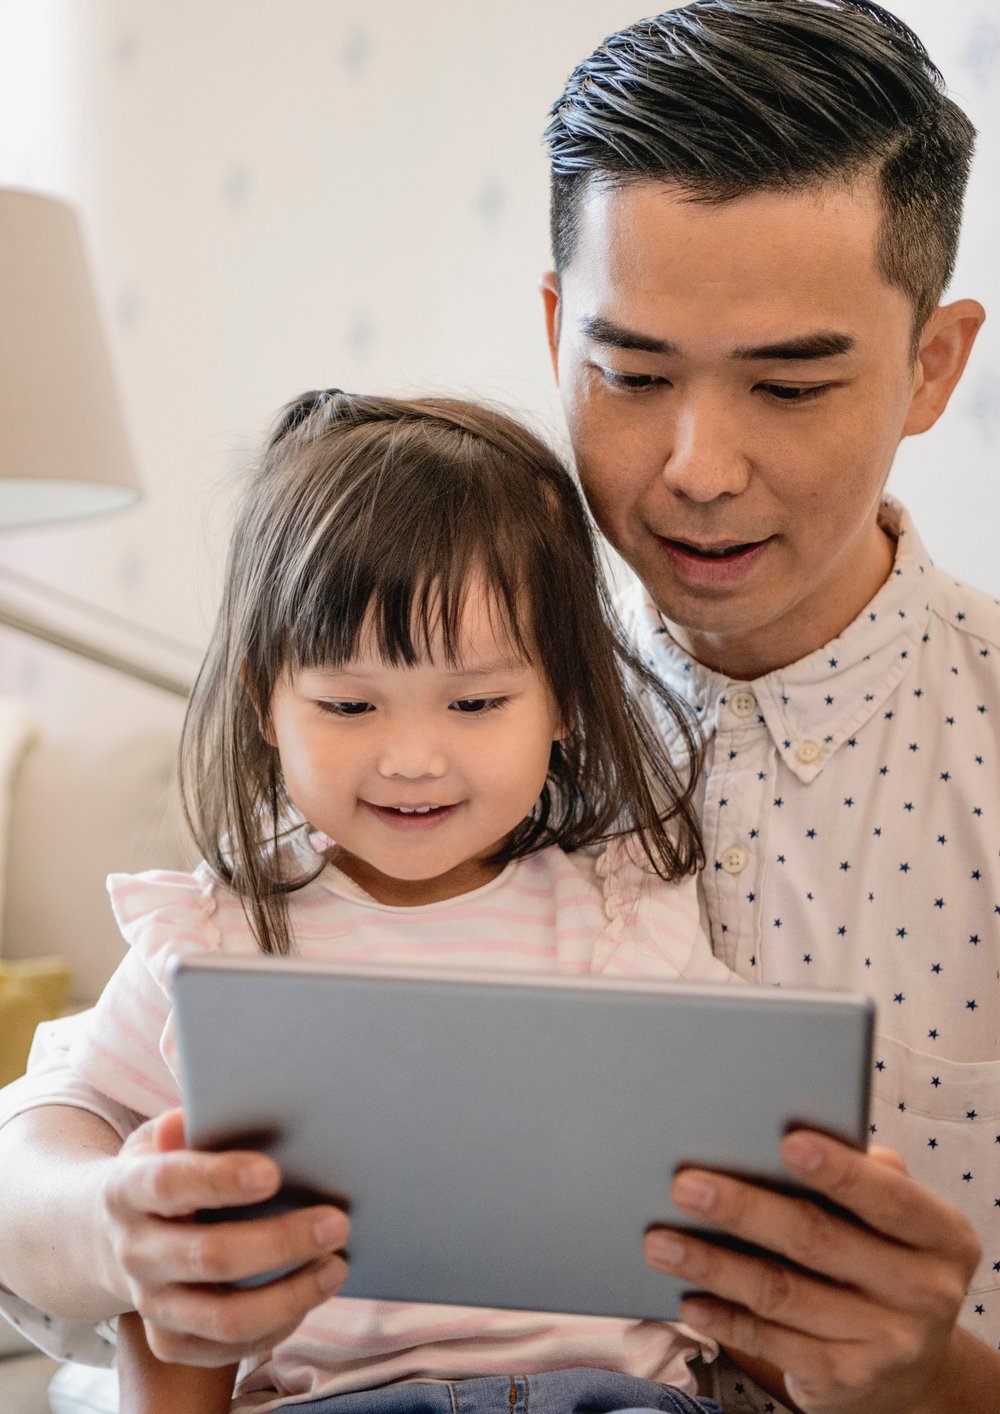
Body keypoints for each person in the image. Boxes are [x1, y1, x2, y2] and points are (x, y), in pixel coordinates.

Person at [0, 4, 1000, 1412]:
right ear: (557, 329)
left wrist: (934, 1382)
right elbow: (43, 1143)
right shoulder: (424, 726)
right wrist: (112, 1223)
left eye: (790, 382)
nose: (698, 467)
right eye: (632, 374)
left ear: (932, 365)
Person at [80, 388, 739, 1414]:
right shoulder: (211, 939)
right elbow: (123, 1226)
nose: (413, 758)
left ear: (564, 694)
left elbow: (734, 1183)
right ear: (265, 697)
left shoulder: (622, 919)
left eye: (475, 703)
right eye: (349, 705)